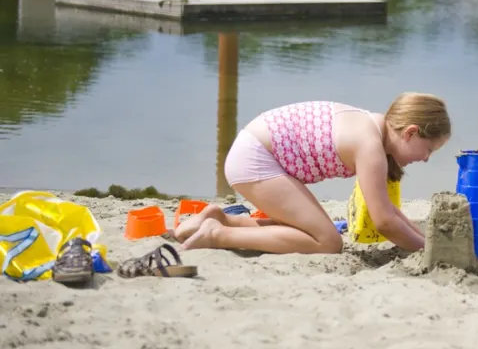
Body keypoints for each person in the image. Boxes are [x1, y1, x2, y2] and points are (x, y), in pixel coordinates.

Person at [174, 92, 451, 255]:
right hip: (256, 159)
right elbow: (384, 223)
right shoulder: (369, 147)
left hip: (256, 150)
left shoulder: (374, 127)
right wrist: (430, 253)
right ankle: (217, 235)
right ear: (411, 132)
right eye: (428, 150)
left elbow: (387, 210)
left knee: (309, 231)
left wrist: (426, 242)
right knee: (328, 242)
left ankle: (220, 218)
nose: (426, 159)